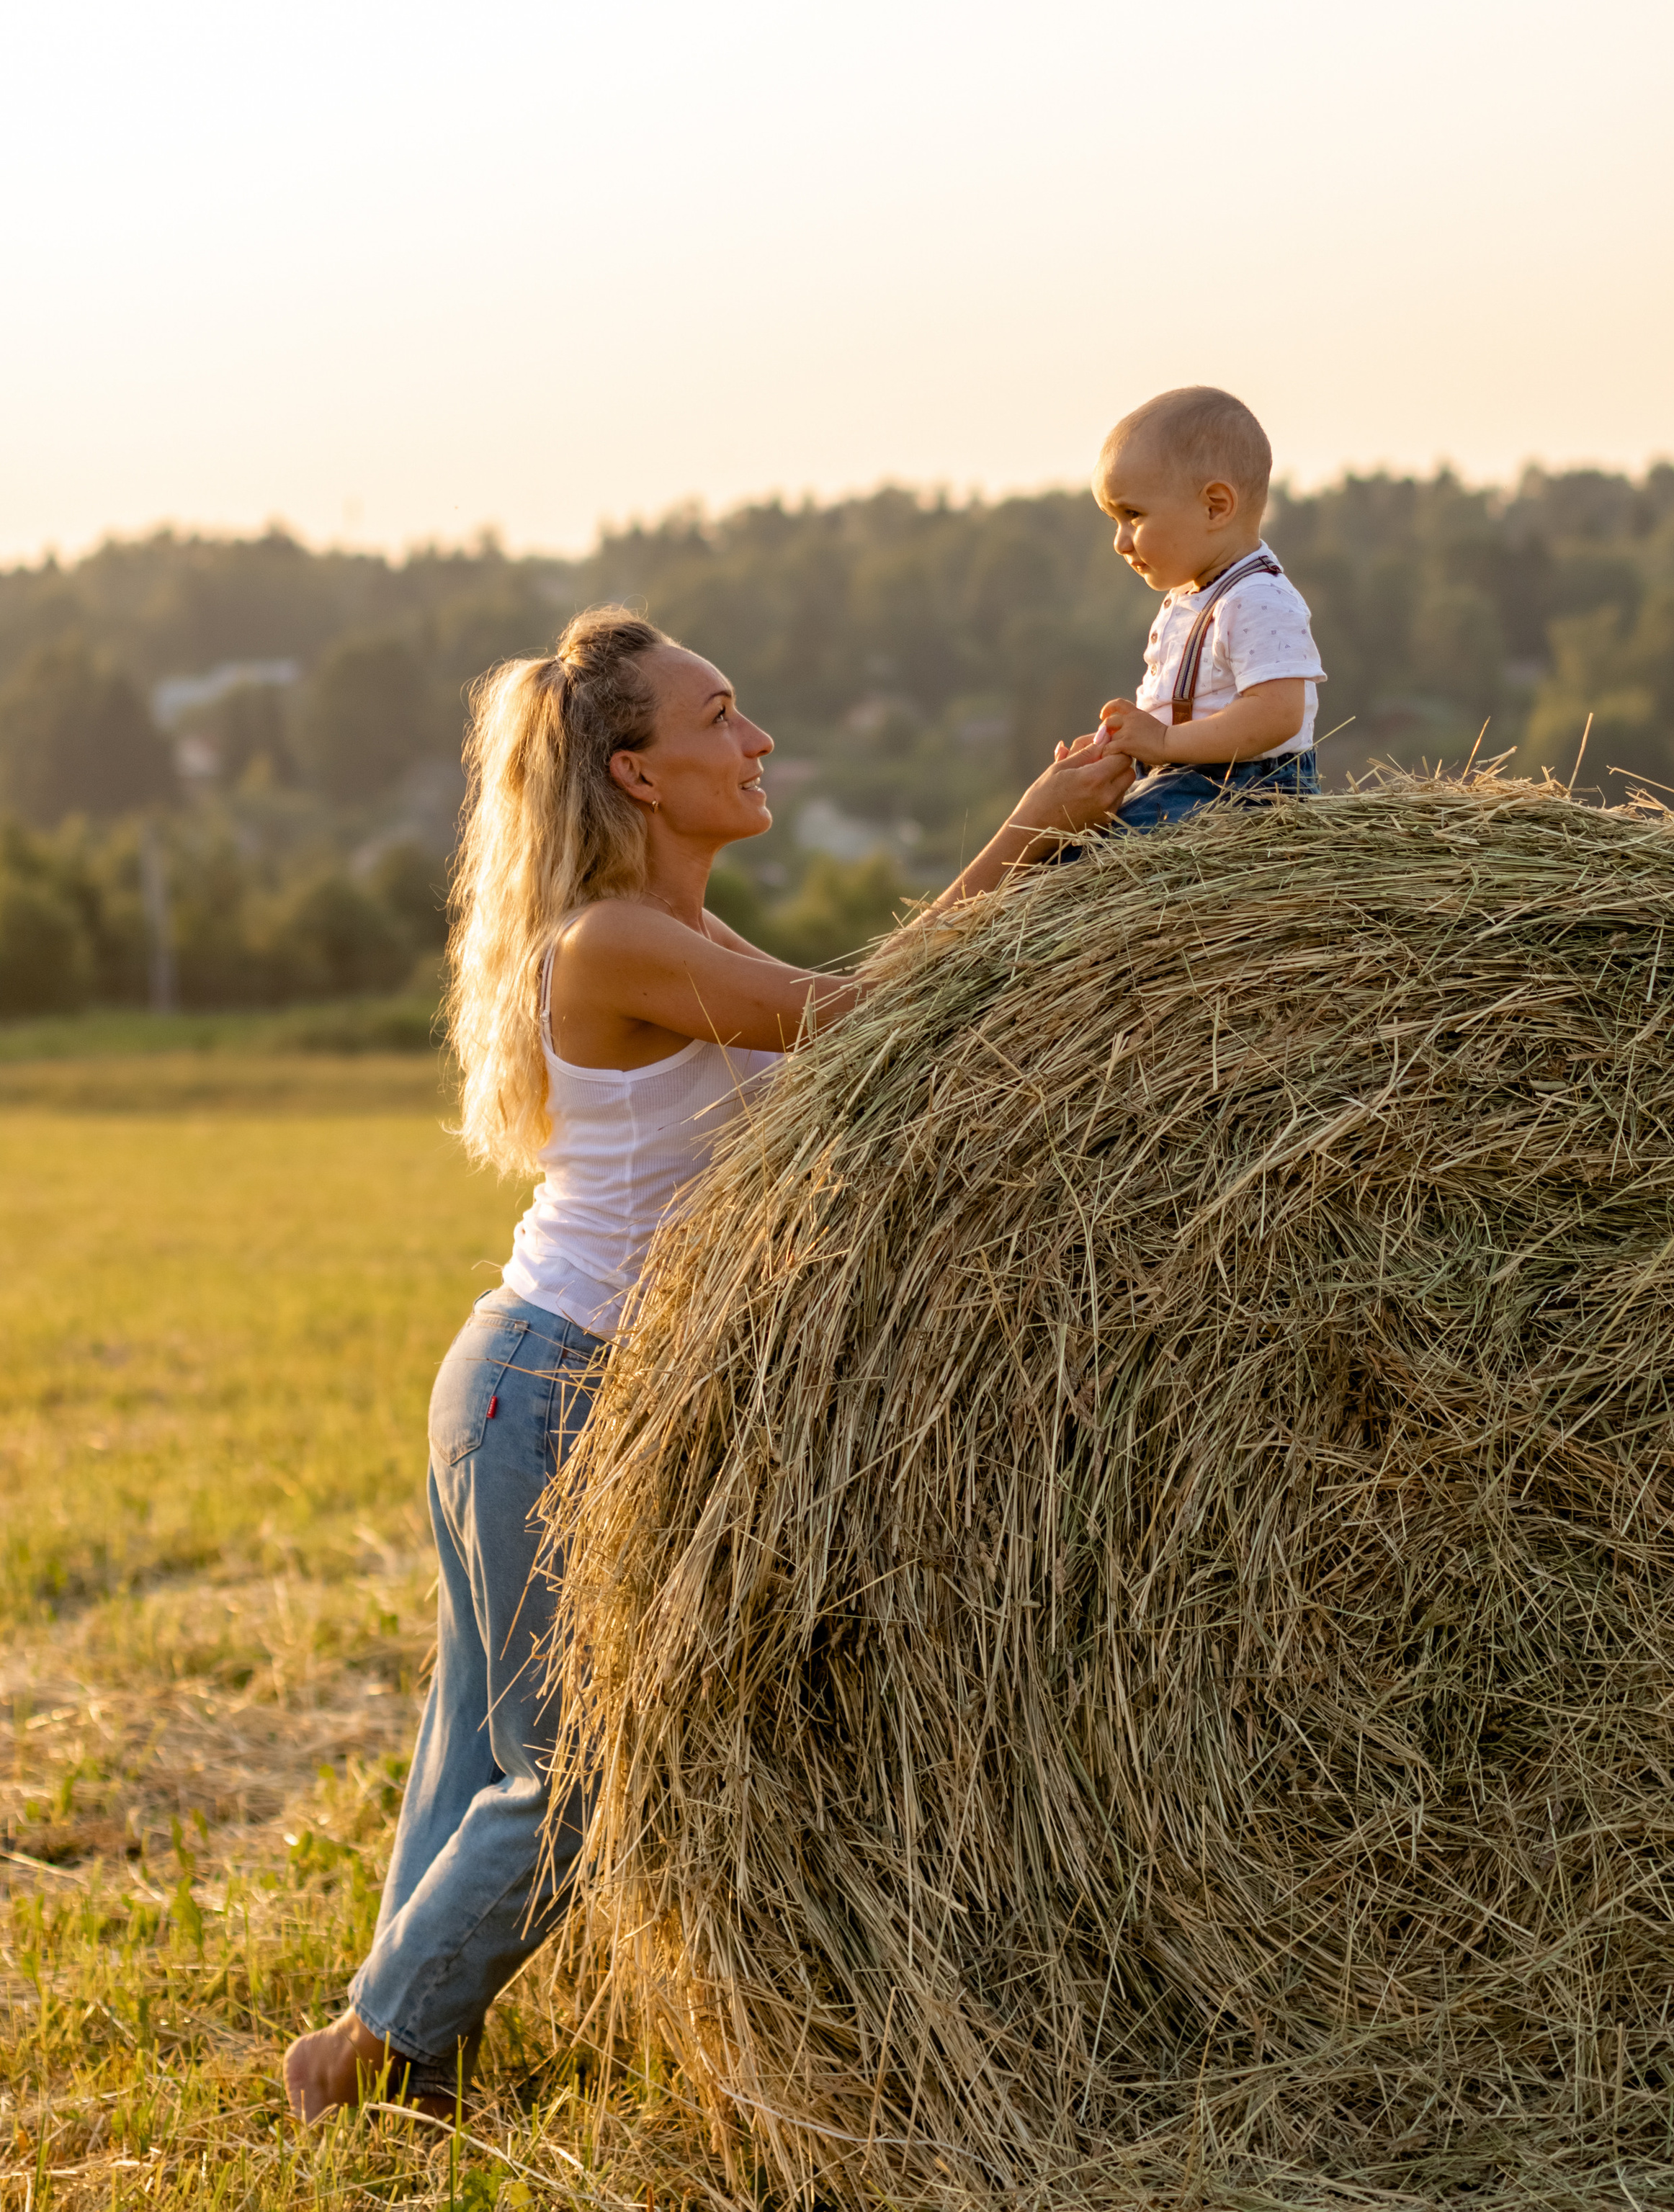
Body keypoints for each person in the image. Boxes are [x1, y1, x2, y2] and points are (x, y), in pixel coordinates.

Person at [283, 604, 1131, 2123]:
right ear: (638, 773)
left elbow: (858, 1005)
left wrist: (1038, 854)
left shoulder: (677, 933)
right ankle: (355, 2058)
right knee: (571, 1778)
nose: (757, 742)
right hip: (540, 1389)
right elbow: (860, 1025)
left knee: (485, 1746)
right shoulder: (612, 942)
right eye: (719, 717)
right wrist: (1025, 831)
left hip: (544, 1385)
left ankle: (400, 2048)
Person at [1087, 385, 1326, 834]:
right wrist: (1121, 748)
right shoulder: (1193, 595)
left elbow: (1277, 714)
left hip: (1247, 792)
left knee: (1106, 848)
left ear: (1215, 507)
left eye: (1133, 515)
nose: (1120, 543)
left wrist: (1163, 741)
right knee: (1070, 834)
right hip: (1189, 777)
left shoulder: (1257, 598)